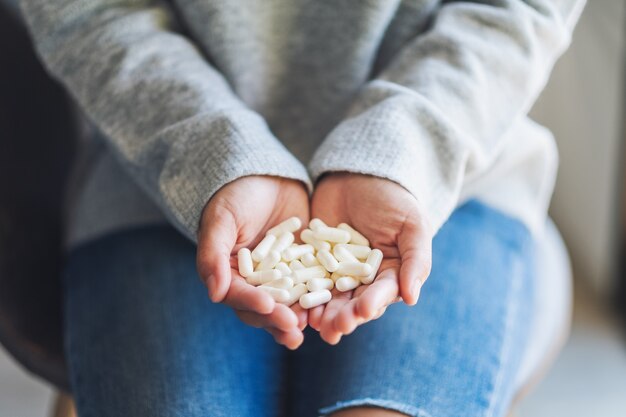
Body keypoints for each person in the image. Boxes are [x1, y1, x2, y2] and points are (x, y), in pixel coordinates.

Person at [19, 0, 584, 416]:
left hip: (444, 174)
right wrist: (219, 157)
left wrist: (395, 154)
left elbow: (517, 12)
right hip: (159, 173)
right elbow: (84, 13)